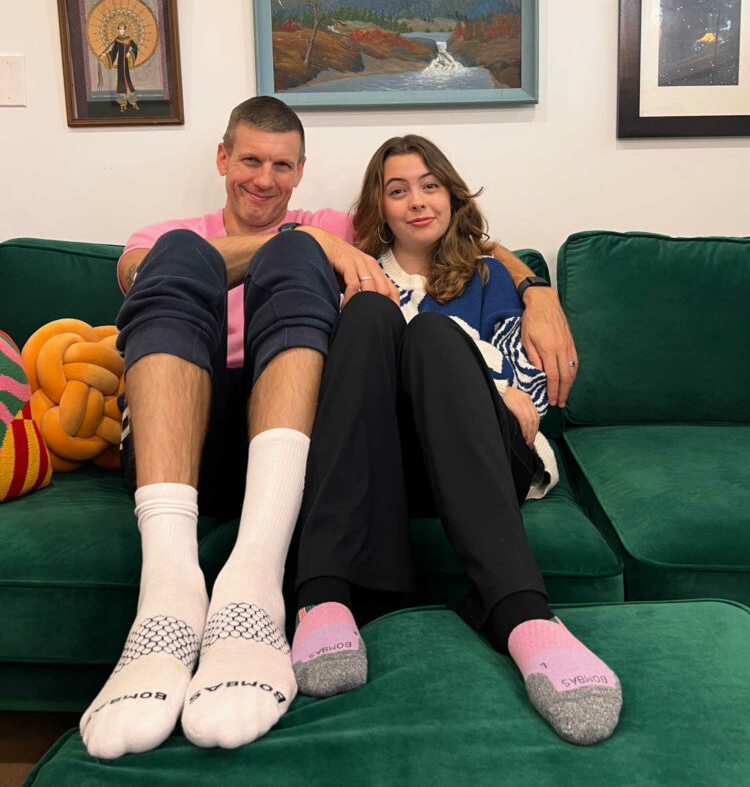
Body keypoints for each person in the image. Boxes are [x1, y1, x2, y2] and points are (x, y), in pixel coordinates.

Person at [79, 97, 578, 759]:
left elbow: (448, 230)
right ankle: (166, 599)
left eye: (281, 165)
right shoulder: (176, 231)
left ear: (301, 170)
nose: (264, 178)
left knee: (369, 307)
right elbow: (138, 278)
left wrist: (537, 288)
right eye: (249, 160)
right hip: (191, 413)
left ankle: (260, 582)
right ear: (222, 158)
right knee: (189, 254)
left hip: (293, 413)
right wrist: (295, 242)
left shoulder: (338, 227)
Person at [290, 135, 621, 746]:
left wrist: (499, 345)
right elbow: (351, 389)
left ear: (449, 192)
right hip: (395, 462)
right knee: (367, 315)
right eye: (397, 190)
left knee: (436, 338)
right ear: (379, 207)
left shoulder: (492, 276)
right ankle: (325, 595)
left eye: (429, 185)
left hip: (484, 453)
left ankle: (524, 615)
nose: (417, 201)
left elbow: (531, 401)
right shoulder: (360, 274)